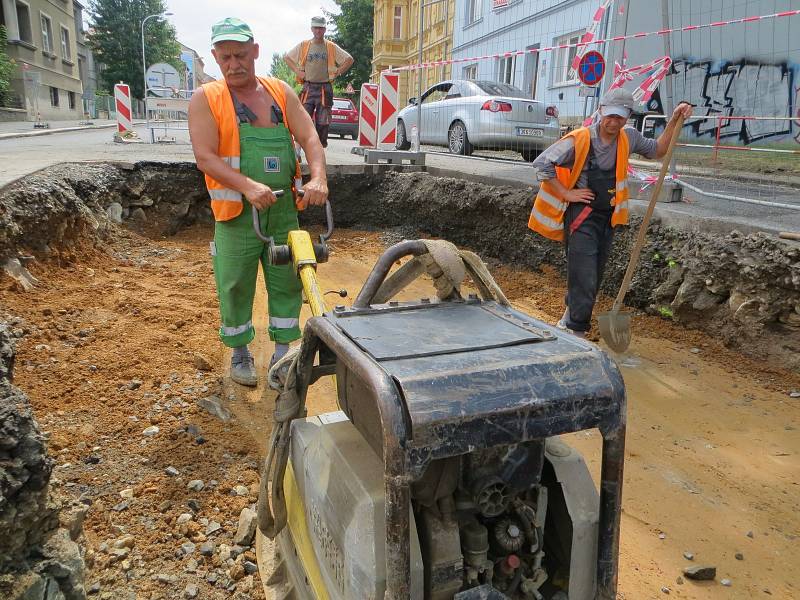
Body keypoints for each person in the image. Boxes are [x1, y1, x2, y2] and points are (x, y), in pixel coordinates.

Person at [188, 17, 328, 386]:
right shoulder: (207, 99)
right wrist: (248, 186)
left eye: (240, 55)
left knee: (287, 282)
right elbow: (206, 157)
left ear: (255, 52)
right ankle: (239, 354)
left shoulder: (280, 92)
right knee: (234, 284)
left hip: (283, 212)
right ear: (216, 58)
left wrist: (318, 177)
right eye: (225, 58)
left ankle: (283, 356)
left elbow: (311, 139)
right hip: (236, 214)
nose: (234, 64)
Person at [529, 88, 693, 337]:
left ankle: (568, 316)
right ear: (601, 111)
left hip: (607, 217)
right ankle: (577, 331)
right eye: (611, 116)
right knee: (584, 273)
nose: (614, 122)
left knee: (594, 273)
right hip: (581, 216)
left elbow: (658, 150)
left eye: (621, 117)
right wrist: (566, 193)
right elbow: (542, 163)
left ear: (627, 117)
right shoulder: (580, 139)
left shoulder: (629, 137)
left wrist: (673, 121)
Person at [284, 16, 354, 148]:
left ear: (324, 29)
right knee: (302, 118)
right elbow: (287, 57)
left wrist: (337, 72)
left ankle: (319, 149)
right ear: (311, 29)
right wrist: (298, 72)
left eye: (320, 28)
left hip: (324, 88)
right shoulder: (304, 45)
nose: (318, 31)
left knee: (323, 122)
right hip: (308, 87)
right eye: (316, 28)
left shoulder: (330, 47)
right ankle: (297, 150)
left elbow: (349, 59)